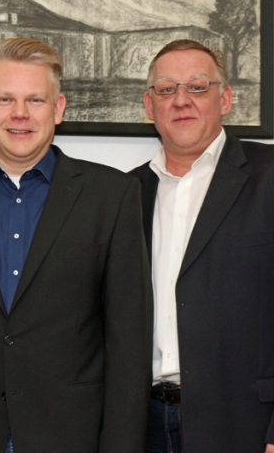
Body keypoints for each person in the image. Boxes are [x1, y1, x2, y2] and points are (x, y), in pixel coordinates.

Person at [0, 36, 152, 452]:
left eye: (35, 100)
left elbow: (128, 342)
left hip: (71, 435)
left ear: (58, 109)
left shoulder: (112, 196)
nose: (20, 114)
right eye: (5, 99)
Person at [132, 39, 274, 453]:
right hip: (145, 425)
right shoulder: (126, 192)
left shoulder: (268, 177)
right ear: (149, 105)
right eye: (166, 89)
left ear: (225, 99)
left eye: (197, 87)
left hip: (246, 423)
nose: (181, 101)